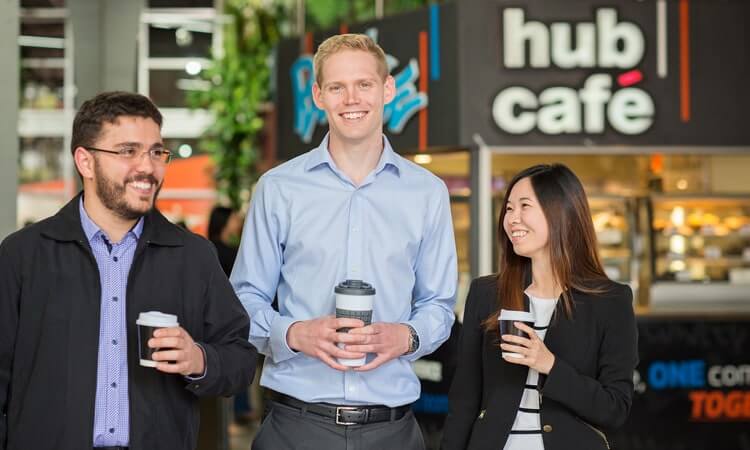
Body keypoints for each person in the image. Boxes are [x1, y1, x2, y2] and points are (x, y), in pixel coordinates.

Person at [231, 34, 457, 450]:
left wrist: (405, 336)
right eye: (337, 87)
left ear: (387, 89)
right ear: (319, 95)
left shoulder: (428, 192)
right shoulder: (278, 188)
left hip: (393, 430)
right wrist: (294, 333)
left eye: (364, 84)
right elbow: (243, 300)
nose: (351, 98)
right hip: (295, 425)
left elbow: (439, 307)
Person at [0, 91, 257, 450]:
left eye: (156, 152)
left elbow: (241, 360)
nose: (148, 167)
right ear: (85, 162)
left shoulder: (193, 256)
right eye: (127, 151)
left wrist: (198, 358)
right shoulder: (23, 255)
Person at [441, 164, 638, 450]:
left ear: (562, 212)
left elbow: (614, 408)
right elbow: (463, 401)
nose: (512, 219)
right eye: (509, 209)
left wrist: (549, 364)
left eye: (524, 206)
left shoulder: (610, 300)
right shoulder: (486, 294)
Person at [207, 206, 255, 425]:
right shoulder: (226, 251)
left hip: (213, 318)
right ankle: (240, 412)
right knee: (236, 361)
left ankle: (235, 414)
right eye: (235, 218)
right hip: (230, 317)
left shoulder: (209, 248)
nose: (238, 221)